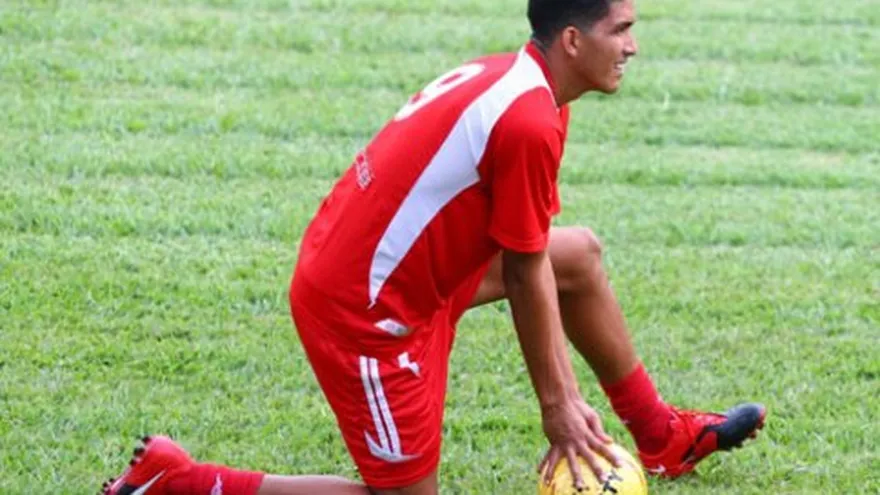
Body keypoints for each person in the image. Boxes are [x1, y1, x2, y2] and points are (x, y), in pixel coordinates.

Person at [101, 0, 766, 494]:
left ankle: (661, 436)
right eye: (621, 29)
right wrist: (559, 405)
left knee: (580, 257)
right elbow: (526, 271)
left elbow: (530, 257)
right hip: (363, 314)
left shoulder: (526, 85)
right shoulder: (530, 117)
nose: (633, 46)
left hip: (406, 277)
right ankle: (184, 481)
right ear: (572, 39)